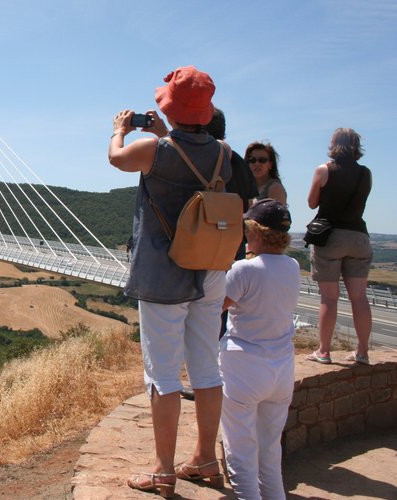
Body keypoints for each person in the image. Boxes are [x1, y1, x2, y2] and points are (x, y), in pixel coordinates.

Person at [108, 66, 230, 498]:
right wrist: (168, 134)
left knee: (163, 374)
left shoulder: (152, 150)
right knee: (206, 367)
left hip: (164, 272)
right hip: (210, 269)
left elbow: (116, 158)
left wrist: (119, 130)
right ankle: (206, 458)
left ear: (169, 108)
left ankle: (163, 470)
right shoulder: (224, 153)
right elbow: (189, 158)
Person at [220, 199, 299, 500]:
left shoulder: (243, 270)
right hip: (281, 370)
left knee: (240, 453)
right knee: (269, 452)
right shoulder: (292, 267)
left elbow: (217, 305)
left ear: (255, 230)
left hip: (244, 367)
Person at [180, 108, 259, 402]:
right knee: (219, 312)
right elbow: (247, 205)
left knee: (200, 313)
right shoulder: (237, 160)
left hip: (202, 246)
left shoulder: (201, 158)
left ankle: (206, 380)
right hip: (232, 243)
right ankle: (218, 376)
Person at [306, 128, 373, 365]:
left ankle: (323, 351)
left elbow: (312, 202)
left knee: (329, 298)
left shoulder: (324, 170)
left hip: (331, 236)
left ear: (334, 144)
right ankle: (363, 351)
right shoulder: (366, 174)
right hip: (359, 237)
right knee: (359, 297)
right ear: (356, 145)